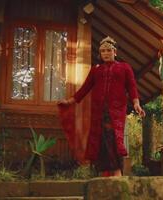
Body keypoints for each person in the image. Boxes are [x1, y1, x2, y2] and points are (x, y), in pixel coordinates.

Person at [58, 36, 145, 177]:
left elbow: (132, 86)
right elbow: (85, 88)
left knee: (113, 139)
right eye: (103, 51)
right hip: (99, 111)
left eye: (108, 50)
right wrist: (70, 101)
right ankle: (102, 173)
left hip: (116, 111)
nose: (105, 53)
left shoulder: (125, 67)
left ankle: (117, 173)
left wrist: (136, 103)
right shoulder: (95, 70)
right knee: (99, 140)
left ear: (115, 52)